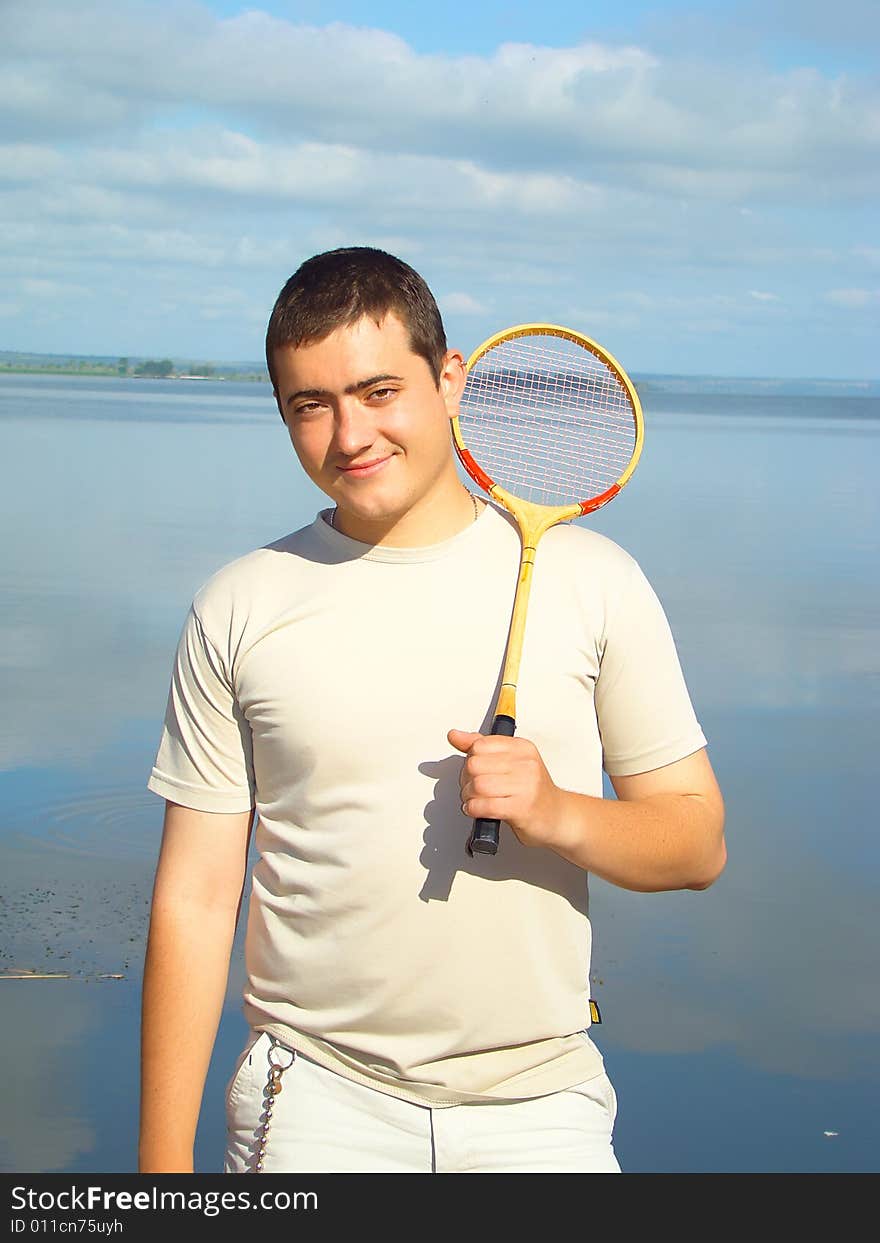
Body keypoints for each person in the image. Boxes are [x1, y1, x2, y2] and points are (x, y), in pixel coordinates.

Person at [139, 246, 726, 1175]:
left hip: (545, 1105)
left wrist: (559, 811)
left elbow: (696, 845)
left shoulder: (597, 582)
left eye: (378, 391)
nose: (348, 435)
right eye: (310, 404)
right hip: (312, 1101)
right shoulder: (241, 603)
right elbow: (196, 898)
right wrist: (159, 1176)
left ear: (451, 380)